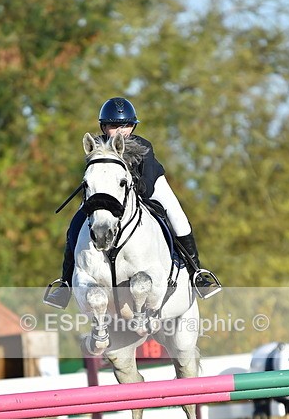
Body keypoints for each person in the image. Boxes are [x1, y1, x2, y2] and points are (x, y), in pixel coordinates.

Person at [45, 97, 221, 308]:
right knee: (75, 225)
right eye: (114, 125)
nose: (121, 130)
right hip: (106, 198)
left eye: (127, 125)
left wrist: (128, 191)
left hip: (149, 187)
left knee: (177, 216)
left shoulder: (143, 146)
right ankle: (65, 284)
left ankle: (197, 274)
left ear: (133, 126)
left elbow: (147, 185)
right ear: (104, 127)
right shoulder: (97, 148)